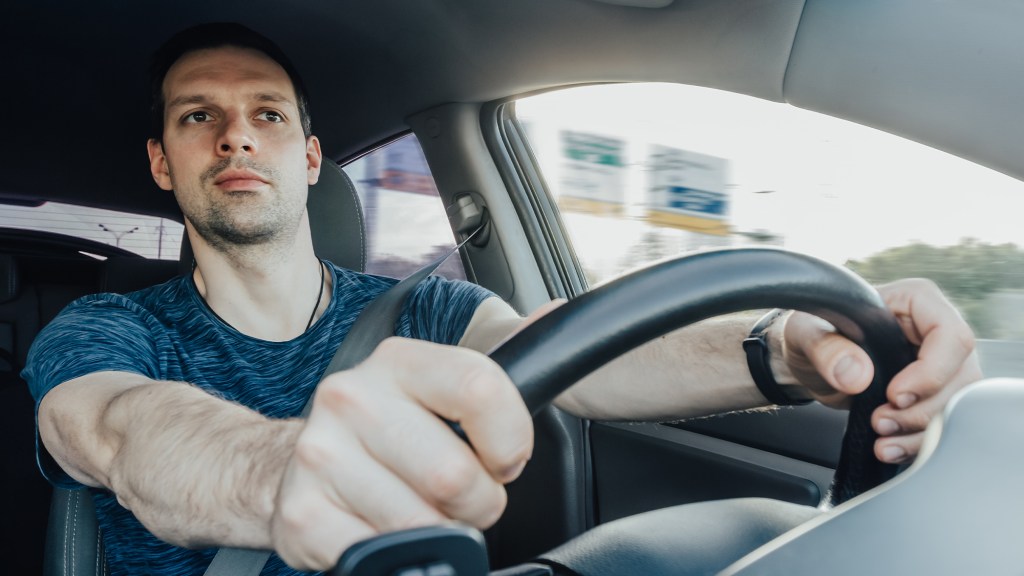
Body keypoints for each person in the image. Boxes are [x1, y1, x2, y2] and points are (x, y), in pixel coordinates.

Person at [23, 22, 981, 576]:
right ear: (162, 160)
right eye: (200, 118)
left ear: (308, 156)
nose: (237, 138)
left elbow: (581, 355)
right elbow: (114, 431)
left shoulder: (417, 311)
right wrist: (283, 468)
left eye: (267, 115)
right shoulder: (108, 328)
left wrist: (785, 345)